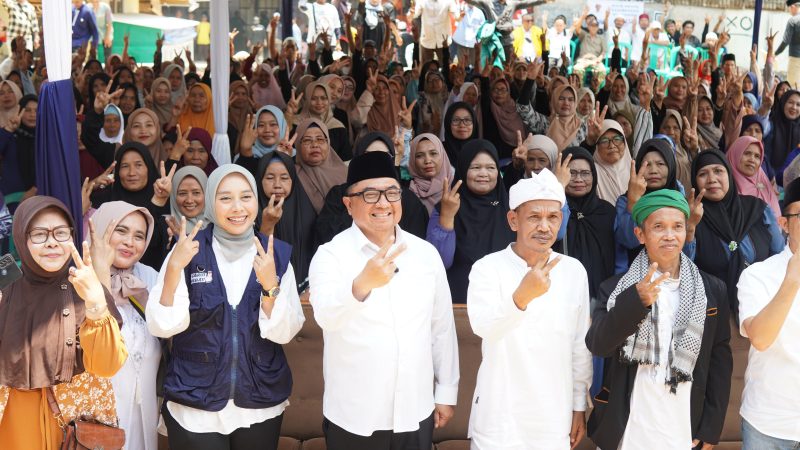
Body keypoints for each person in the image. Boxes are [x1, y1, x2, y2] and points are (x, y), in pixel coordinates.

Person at [146, 165, 305, 450]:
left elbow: (285, 333)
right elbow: (162, 326)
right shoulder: (188, 249)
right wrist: (173, 269)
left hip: (258, 404)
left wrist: (270, 287)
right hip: (195, 404)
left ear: (257, 201)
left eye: (246, 197)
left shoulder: (275, 255)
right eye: (225, 198)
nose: (237, 208)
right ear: (210, 203)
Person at [309, 150, 459, 450]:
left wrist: (446, 391)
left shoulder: (425, 254)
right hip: (355, 415)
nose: (383, 203)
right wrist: (362, 285)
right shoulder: (331, 255)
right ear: (349, 205)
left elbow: (441, 327)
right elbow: (325, 316)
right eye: (370, 194)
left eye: (391, 192)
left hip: (416, 408)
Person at [585, 189, 733, 450]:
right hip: (629, 424)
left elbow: (719, 359)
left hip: (682, 423)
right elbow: (598, 344)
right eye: (658, 227)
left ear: (686, 232)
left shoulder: (712, 290)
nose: (669, 235)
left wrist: (711, 425)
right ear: (640, 234)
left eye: (677, 226)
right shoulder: (615, 288)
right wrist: (634, 303)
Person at [467, 170, 592, 449]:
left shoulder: (573, 271)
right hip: (499, 416)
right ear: (514, 220)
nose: (545, 227)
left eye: (553, 218)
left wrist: (578, 405)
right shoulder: (487, 268)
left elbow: (579, 346)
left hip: (552, 415)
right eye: (534, 217)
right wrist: (521, 297)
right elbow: (483, 327)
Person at [0, 196, 128, 448]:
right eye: (39, 234)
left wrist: (95, 305)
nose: (51, 243)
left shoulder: (83, 284)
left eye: (61, 233)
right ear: (21, 238)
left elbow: (107, 366)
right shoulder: (5, 280)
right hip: (14, 425)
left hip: (74, 429)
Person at [88, 201, 160, 450]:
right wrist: (99, 275)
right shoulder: (78, 278)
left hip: (145, 412)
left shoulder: (149, 277)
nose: (130, 242)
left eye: (139, 236)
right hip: (98, 417)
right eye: (121, 230)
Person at [736, 177, 800, 449]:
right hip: (769, 423)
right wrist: (792, 280)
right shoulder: (757, 275)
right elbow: (760, 338)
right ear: (784, 224)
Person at [690, 150, 784, 322]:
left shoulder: (757, 209)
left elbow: (780, 255)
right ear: (695, 181)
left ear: (729, 174)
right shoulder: (693, 218)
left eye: (718, 171)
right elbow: (684, 266)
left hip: (763, 309)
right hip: (714, 315)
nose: (712, 179)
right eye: (703, 174)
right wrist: (690, 226)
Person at [427, 139, 515, 302]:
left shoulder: (512, 209)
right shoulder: (445, 207)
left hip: (506, 300)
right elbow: (440, 262)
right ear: (462, 169)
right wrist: (447, 216)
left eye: (490, 167)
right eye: (475, 167)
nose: (483, 173)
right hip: (460, 301)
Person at [314, 132, 430, 245]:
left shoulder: (408, 199)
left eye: (384, 155)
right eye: (369, 155)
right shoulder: (339, 194)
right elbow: (326, 234)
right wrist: (358, 207)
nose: (376, 160)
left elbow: (416, 241)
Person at [559, 146, 615, 300]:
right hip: (562, 296)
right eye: (571, 173)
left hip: (602, 297)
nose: (578, 180)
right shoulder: (553, 211)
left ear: (594, 176)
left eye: (585, 173)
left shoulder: (607, 212)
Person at [257, 151, 318, 292]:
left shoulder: (307, 211)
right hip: (264, 292)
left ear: (293, 180)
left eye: (284, 178)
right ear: (260, 180)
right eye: (270, 177)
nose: (277, 185)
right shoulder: (250, 212)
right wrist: (267, 225)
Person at [727, 136, 781, 219]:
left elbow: (778, 219)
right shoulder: (725, 187)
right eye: (747, 153)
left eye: (757, 156)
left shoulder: (763, 182)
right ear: (735, 154)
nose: (752, 160)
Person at [408, 133, 454, 215]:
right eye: (419, 156)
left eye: (433, 153)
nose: (427, 160)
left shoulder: (457, 188)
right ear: (413, 160)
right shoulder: (408, 193)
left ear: (442, 156)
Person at [777, 0, 800, 87]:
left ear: (793, 6)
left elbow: (786, 41)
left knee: (793, 86)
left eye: (789, 9)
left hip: (795, 59)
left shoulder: (793, 21)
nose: (789, 11)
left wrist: (775, 53)